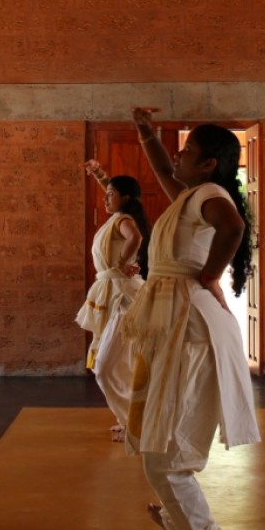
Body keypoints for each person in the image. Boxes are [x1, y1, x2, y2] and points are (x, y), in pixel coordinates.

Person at [121, 108, 260, 530]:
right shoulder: (191, 195)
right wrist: (146, 134)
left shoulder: (211, 195)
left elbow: (234, 228)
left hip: (191, 327)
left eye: (188, 152)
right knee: (156, 445)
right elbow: (162, 168)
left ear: (209, 165)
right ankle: (179, 522)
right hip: (176, 321)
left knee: (166, 453)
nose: (177, 159)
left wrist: (210, 275)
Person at [76, 160, 150, 442]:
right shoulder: (117, 216)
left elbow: (136, 237)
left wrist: (120, 262)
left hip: (124, 297)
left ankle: (136, 425)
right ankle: (129, 419)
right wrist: (99, 174)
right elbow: (112, 190)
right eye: (106, 193)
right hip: (112, 291)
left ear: (125, 198)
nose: (105, 197)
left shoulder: (124, 221)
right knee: (117, 365)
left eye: (111, 194)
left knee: (105, 367)